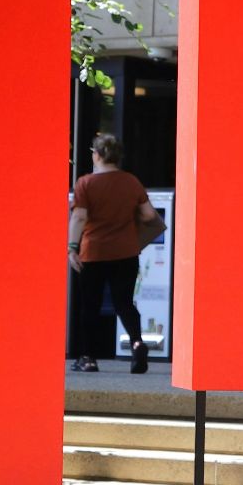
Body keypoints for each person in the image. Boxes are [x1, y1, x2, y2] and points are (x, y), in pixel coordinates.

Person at [69, 134, 159, 373]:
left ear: (97, 155)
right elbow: (149, 215)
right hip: (126, 252)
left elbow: (79, 217)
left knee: (90, 305)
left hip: (93, 252)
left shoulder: (85, 183)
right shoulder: (131, 182)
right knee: (124, 303)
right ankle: (137, 343)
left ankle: (88, 357)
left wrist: (72, 247)